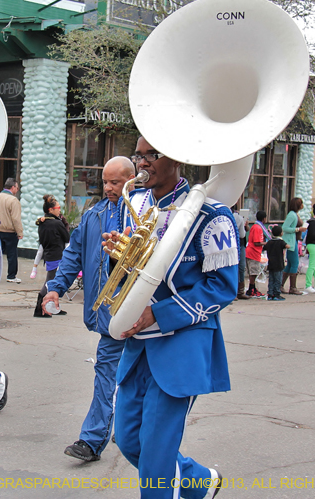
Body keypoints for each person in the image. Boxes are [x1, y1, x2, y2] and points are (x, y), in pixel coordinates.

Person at [107, 137, 232, 498]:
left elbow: (221, 288)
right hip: (139, 345)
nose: (142, 163)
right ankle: (198, 482)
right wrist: (121, 256)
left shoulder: (212, 215)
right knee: (129, 440)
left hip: (181, 344)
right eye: (139, 155)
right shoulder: (140, 205)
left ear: (177, 159)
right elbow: (138, 271)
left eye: (152, 155)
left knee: (157, 458)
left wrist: (157, 314)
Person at [41, 156, 135, 463]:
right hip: (110, 316)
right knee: (107, 370)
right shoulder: (94, 214)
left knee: (133, 375)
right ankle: (94, 439)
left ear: (130, 181)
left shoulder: (142, 214)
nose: (108, 188)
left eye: (115, 182)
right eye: (105, 182)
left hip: (140, 311)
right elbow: (74, 255)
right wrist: (55, 287)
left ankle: (121, 431)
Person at [33, 195, 70, 317]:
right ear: (51, 210)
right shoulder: (56, 223)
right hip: (57, 255)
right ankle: (39, 308)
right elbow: (66, 237)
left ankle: (53, 307)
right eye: (58, 207)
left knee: (53, 280)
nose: (59, 210)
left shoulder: (42, 222)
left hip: (48, 254)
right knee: (50, 282)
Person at [0, 177, 23, 283]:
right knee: (12, 255)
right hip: (10, 231)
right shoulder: (13, 200)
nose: (17, 189)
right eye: (17, 187)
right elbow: (16, 218)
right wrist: (20, 232)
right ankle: (11, 276)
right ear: (12, 187)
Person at [281, 197, 306, 295]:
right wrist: (297, 229)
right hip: (291, 241)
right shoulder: (292, 215)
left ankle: (281, 285)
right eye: (301, 203)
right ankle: (292, 287)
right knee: (295, 263)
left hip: (294, 240)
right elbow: (285, 228)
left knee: (291, 264)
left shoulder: (295, 214)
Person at [245, 210, 269, 297]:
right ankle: (251, 289)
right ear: (264, 219)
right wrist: (266, 243)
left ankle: (253, 288)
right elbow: (256, 242)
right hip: (253, 252)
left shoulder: (257, 226)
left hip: (255, 252)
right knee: (253, 272)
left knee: (254, 272)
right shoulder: (257, 228)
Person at [264, 225, 288, 301]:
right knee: (278, 280)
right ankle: (276, 294)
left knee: (271, 279)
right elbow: (287, 246)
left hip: (271, 264)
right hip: (279, 264)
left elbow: (264, 248)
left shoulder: (270, 242)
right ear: (281, 233)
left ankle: (270, 294)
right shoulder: (281, 242)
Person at [231, 206, 250, 300]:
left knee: (231, 267)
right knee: (241, 267)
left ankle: (232, 291)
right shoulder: (238, 218)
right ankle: (240, 291)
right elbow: (242, 234)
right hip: (239, 244)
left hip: (227, 244)